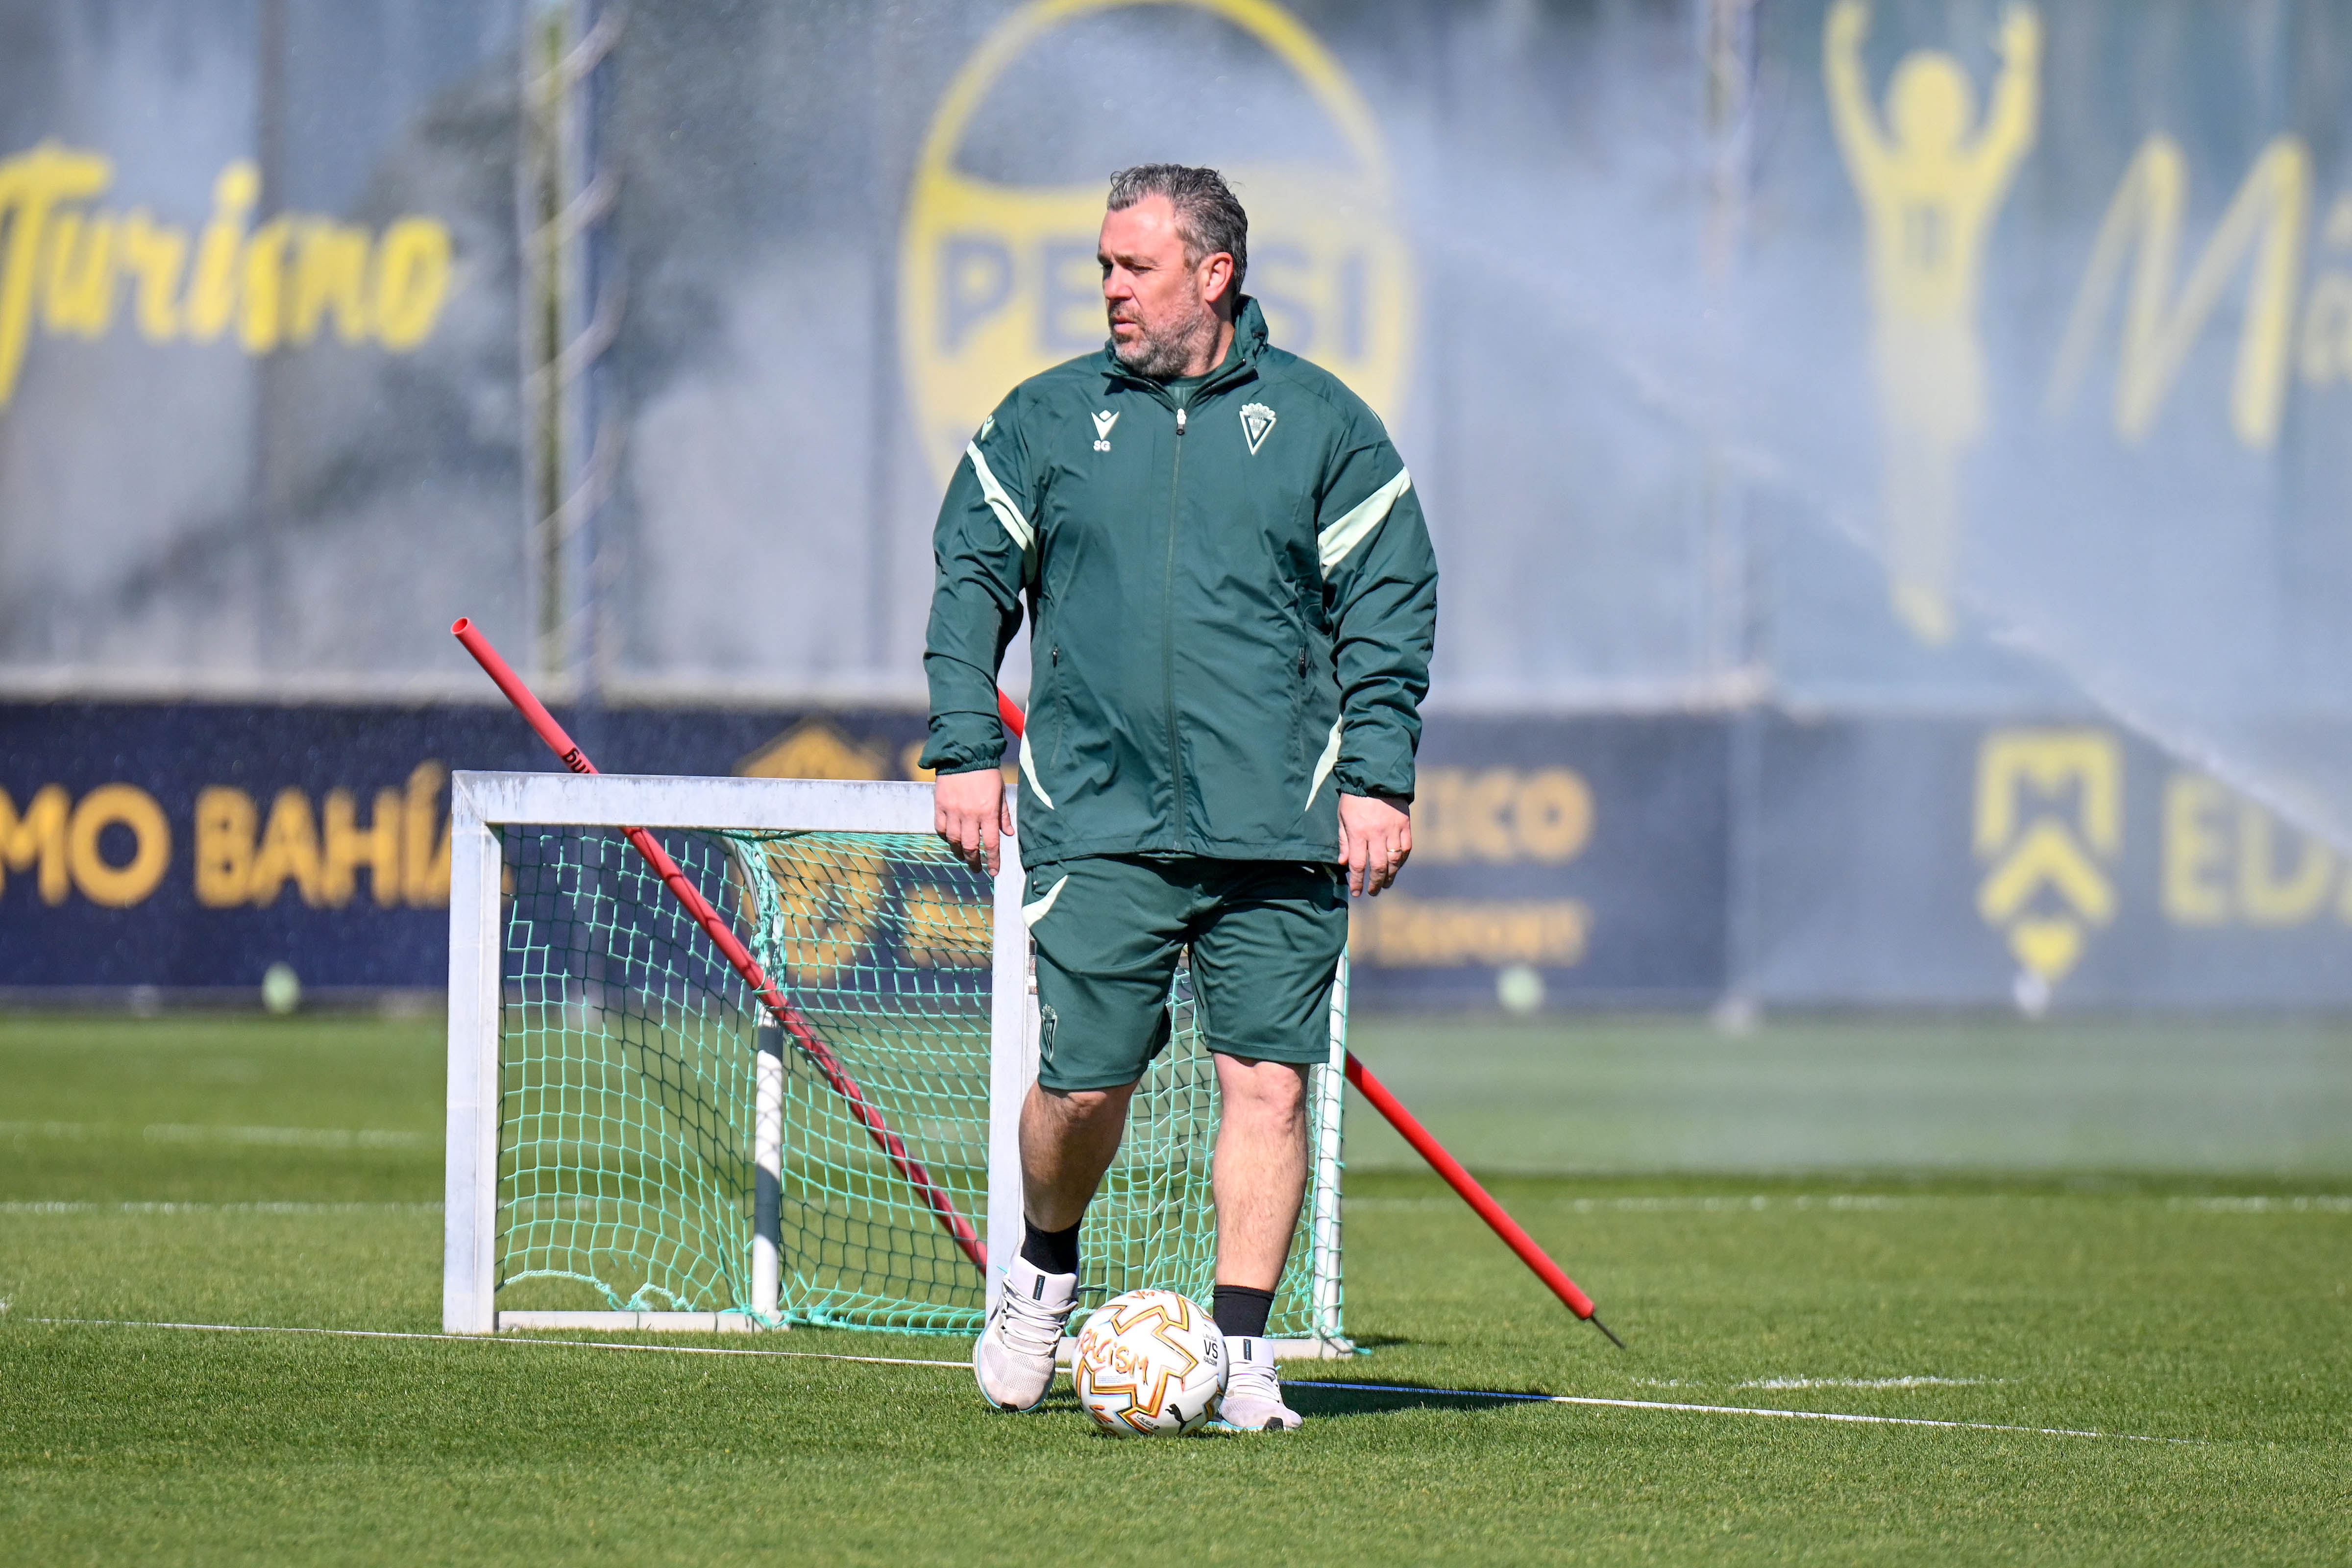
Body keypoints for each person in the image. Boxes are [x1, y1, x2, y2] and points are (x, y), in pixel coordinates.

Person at [923, 164, 1438, 1431]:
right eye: (1103, 266)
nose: (1110, 290)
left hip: (1279, 824)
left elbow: (1391, 606)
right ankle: (1043, 1270)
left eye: (1133, 268)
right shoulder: (1043, 422)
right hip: (1097, 818)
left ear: (1215, 275)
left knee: (1269, 1083)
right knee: (1083, 1090)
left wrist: (1375, 776)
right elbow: (968, 583)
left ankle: (1247, 1354)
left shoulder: (1326, 427)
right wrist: (962, 745)